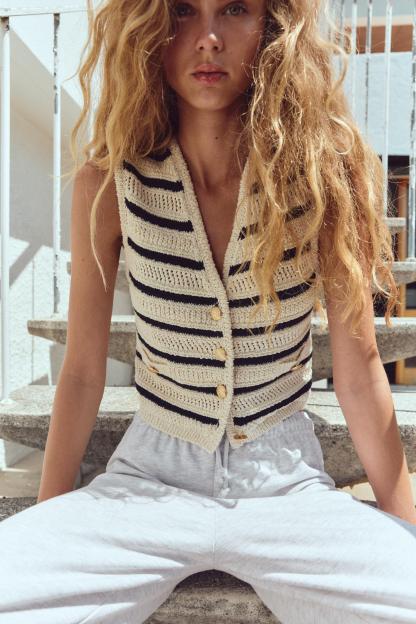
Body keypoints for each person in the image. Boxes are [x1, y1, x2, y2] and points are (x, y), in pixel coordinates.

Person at [1, 0, 416, 622]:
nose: (209, 38)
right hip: (145, 483)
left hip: (285, 487)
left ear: (274, 26)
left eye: (235, 9)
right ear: (147, 26)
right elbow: (84, 371)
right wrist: (50, 520)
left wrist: (402, 527)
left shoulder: (324, 176)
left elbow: (358, 371)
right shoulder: (109, 183)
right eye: (183, 11)